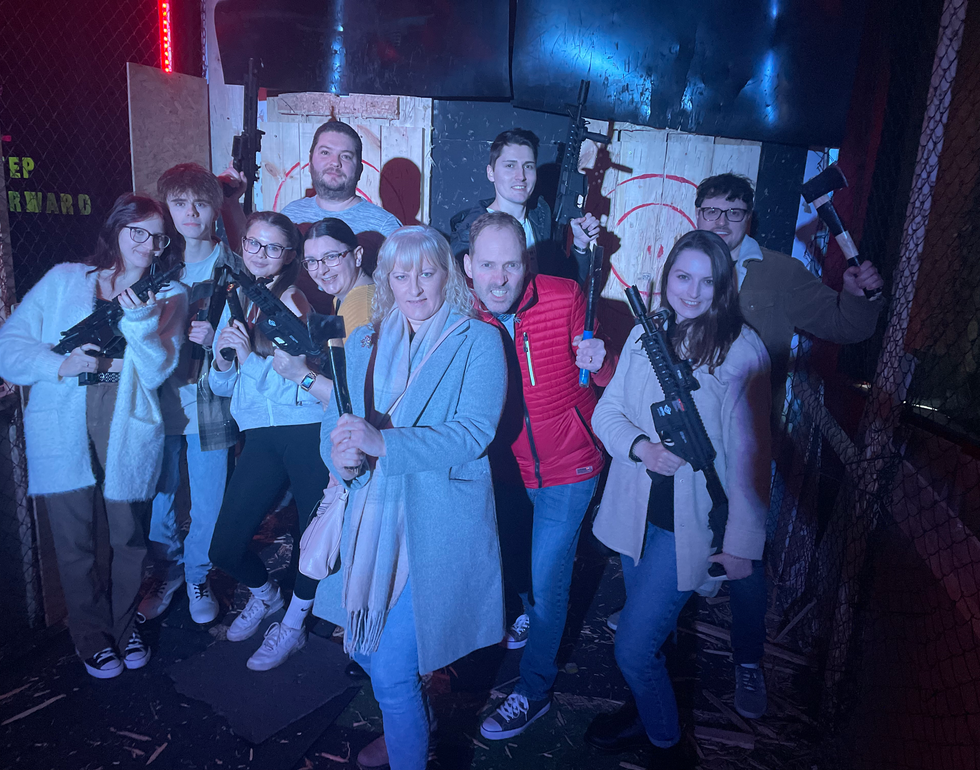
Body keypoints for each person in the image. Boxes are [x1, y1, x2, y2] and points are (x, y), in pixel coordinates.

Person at [694, 172, 884, 719]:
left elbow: (846, 325)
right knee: (681, 529)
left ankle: (748, 662)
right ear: (698, 214)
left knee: (746, 556)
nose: (721, 221)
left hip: (750, 441)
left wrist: (858, 298)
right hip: (688, 437)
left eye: (733, 212)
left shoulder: (778, 271)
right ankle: (662, 605)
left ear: (748, 218)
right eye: (711, 210)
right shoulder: (689, 266)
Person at [318, 225, 506, 770]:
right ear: (387, 280)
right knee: (376, 660)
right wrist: (343, 456)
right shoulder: (363, 342)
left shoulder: (476, 340)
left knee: (393, 664)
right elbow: (336, 422)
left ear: (448, 274)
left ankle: (408, 747)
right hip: (371, 514)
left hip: (437, 520)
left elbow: (474, 433)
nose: (416, 286)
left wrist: (383, 443)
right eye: (402, 274)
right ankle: (410, 728)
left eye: (427, 272)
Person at [584, 230, 771, 766]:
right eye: (682, 277)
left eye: (706, 281)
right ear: (666, 278)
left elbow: (751, 458)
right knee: (652, 639)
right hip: (638, 516)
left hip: (692, 523)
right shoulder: (649, 337)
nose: (691, 292)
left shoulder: (741, 350)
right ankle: (641, 710)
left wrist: (741, 545)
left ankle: (665, 743)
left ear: (723, 287)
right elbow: (607, 412)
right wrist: (641, 446)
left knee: (633, 647)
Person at [0, 193, 185, 678]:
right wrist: (57, 363)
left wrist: (137, 325)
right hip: (63, 415)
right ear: (117, 230)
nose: (148, 244)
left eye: (157, 236)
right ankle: (90, 637)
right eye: (137, 232)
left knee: (128, 534)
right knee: (74, 535)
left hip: (125, 415)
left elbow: (156, 368)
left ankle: (124, 628)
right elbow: (11, 344)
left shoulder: (168, 294)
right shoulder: (65, 280)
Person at [459, 211, 615, 741]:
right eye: (487, 265)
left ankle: (535, 690)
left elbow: (598, 375)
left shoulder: (565, 294)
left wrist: (605, 359)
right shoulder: (457, 315)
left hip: (570, 466)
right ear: (467, 267)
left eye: (510, 264)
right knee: (520, 571)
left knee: (549, 583)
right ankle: (528, 614)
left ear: (526, 264)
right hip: (504, 471)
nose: (499, 278)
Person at [207, 211, 329, 671]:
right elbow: (222, 386)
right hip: (258, 433)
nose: (261, 254)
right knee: (224, 546)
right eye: (254, 244)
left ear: (289, 256)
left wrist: (249, 359)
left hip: (304, 428)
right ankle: (265, 595)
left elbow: (293, 377)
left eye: (273, 247)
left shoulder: (293, 300)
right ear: (242, 249)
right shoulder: (233, 301)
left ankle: (294, 625)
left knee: (311, 540)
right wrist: (224, 364)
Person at [140, 163, 243, 625]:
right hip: (161, 397)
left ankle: (198, 573)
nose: (190, 213)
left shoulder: (234, 265)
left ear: (214, 207)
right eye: (179, 203)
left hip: (209, 398)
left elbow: (246, 341)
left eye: (200, 203)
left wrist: (217, 341)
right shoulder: (157, 263)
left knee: (209, 498)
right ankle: (169, 571)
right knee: (161, 493)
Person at [220, 121, 401, 263]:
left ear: (360, 170)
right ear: (310, 161)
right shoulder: (291, 215)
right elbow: (253, 261)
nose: (335, 162)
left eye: (346, 156)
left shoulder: (385, 227)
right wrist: (232, 202)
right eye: (325, 153)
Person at [449, 128, 599, 282]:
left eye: (528, 166)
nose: (520, 176)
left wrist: (580, 245)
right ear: (491, 173)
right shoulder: (469, 235)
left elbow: (563, 289)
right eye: (510, 166)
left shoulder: (540, 219)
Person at [270, 218, 375, 400]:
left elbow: (355, 398)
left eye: (331, 257)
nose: (321, 270)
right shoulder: (344, 299)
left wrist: (300, 375)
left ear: (357, 255)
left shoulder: (360, 305)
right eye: (311, 261)